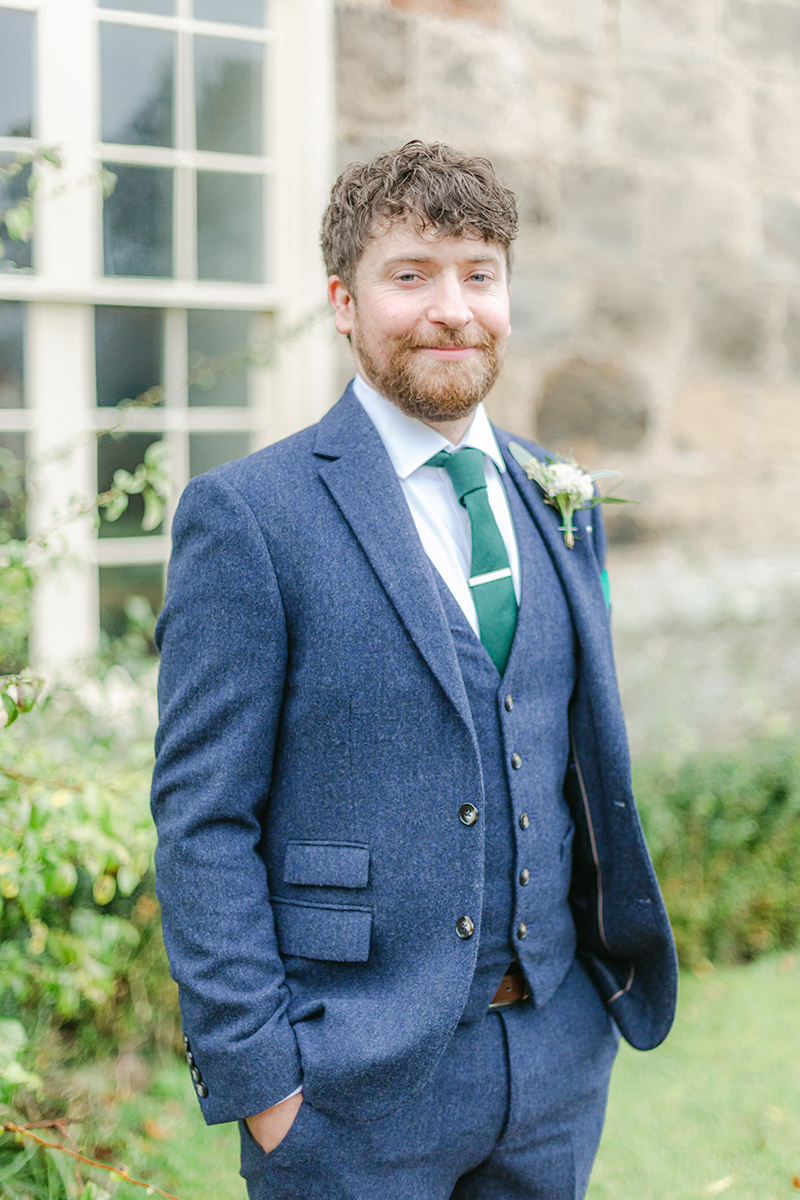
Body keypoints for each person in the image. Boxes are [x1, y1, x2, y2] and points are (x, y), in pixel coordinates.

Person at [151, 140, 677, 1200]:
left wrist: (579, 1021)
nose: (452, 308)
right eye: (411, 275)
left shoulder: (552, 492)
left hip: (553, 1057)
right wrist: (267, 1086)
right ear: (344, 303)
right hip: (346, 1086)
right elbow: (203, 821)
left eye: (478, 275)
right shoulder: (251, 517)